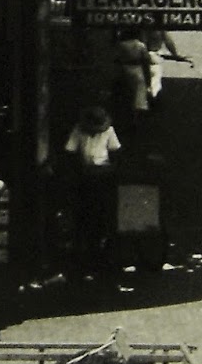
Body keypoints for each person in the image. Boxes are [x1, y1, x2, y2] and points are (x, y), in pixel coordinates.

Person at [61, 105, 121, 277]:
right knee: (84, 213)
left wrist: (111, 169)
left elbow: (115, 151)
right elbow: (70, 151)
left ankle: (100, 250)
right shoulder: (79, 131)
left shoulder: (108, 131)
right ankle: (85, 252)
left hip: (103, 174)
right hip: (85, 174)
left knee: (102, 213)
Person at [110, 27, 153, 128]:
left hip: (124, 68)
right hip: (137, 69)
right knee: (138, 94)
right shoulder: (140, 45)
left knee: (125, 92)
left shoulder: (121, 45)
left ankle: (123, 116)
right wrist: (148, 80)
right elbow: (146, 60)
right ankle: (136, 118)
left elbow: (116, 58)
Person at [143, 26, 188, 105]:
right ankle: (152, 97)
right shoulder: (160, 30)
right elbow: (168, 42)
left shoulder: (141, 29)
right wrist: (175, 55)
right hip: (155, 56)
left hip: (141, 56)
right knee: (155, 79)